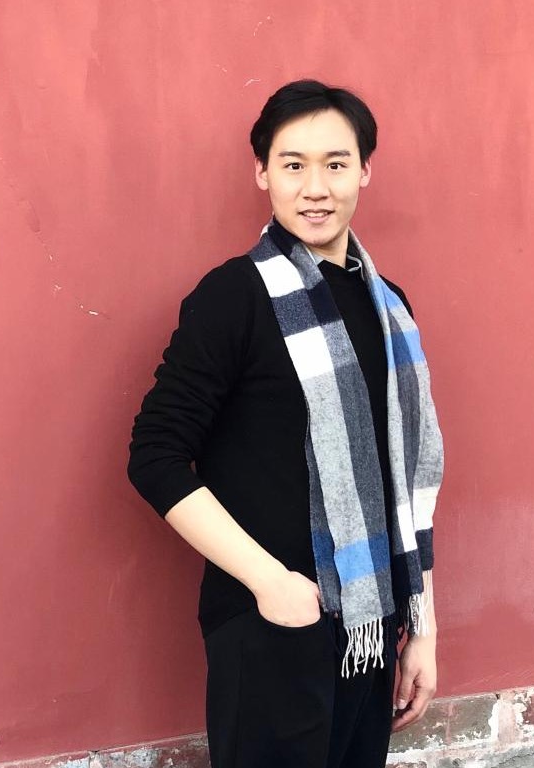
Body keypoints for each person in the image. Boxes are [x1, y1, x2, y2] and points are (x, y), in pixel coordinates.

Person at [127, 79, 444, 768]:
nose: (315, 188)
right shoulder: (233, 297)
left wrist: (421, 627)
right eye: (293, 164)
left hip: (370, 622)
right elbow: (154, 455)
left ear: (364, 171)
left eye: (336, 163)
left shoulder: (390, 307)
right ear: (262, 173)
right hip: (273, 624)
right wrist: (273, 585)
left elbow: (404, 477)